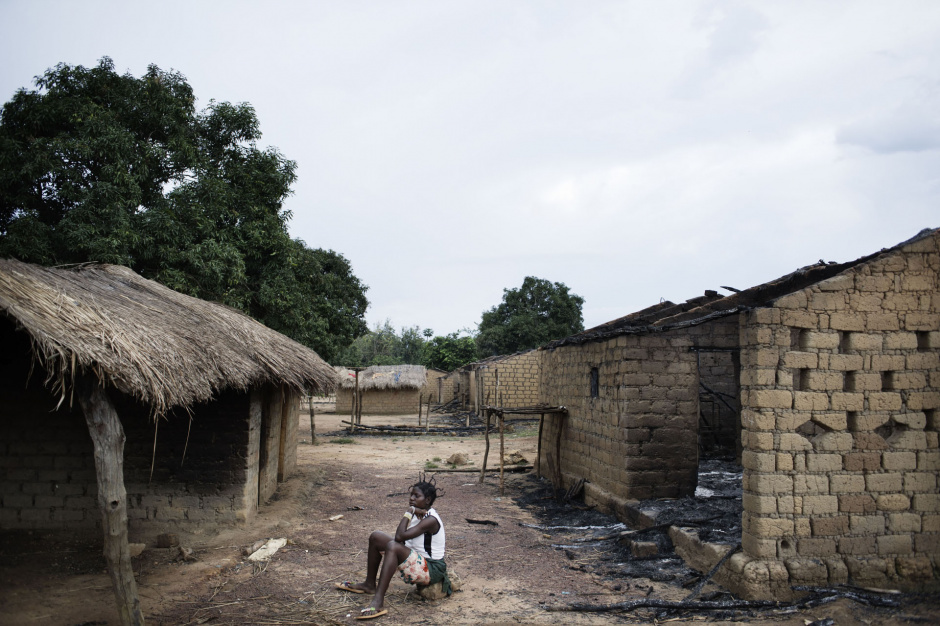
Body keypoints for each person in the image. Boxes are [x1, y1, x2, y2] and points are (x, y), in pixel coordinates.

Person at [335, 474, 450, 620]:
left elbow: (399, 537)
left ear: (427, 500)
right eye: (411, 495)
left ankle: (378, 601)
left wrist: (409, 512)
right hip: (418, 559)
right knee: (376, 536)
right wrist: (413, 512)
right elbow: (402, 539)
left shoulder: (431, 519)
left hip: (432, 568)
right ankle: (369, 584)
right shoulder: (419, 512)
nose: (412, 499)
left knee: (393, 546)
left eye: (416, 496)